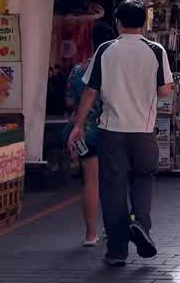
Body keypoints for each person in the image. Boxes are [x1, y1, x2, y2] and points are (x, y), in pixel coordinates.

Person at [69, 0, 174, 267]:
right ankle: (140, 223)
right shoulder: (155, 49)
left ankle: (116, 251)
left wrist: (78, 125)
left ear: (117, 22)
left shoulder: (105, 50)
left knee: (113, 190)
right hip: (144, 131)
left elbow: (91, 91)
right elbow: (165, 91)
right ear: (143, 22)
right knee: (143, 179)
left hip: (112, 131)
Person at [64, 19, 116, 247]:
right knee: (114, 180)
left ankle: (90, 234)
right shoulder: (115, 70)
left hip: (85, 132)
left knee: (90, 182)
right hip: (114, 129)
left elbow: (68, 102)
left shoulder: (78, 69)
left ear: (91, 40)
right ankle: (112, 228)